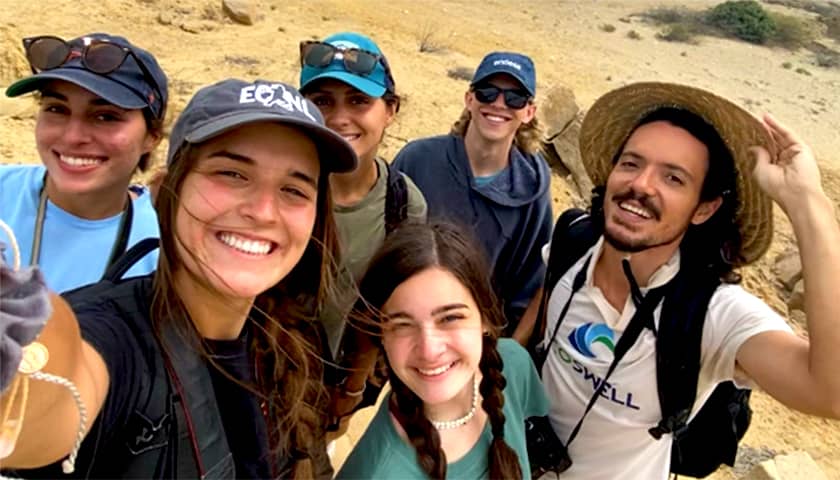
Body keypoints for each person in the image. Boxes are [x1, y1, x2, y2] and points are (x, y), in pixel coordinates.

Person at [0, 78, 357, 479]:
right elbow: (47, 400)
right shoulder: (114, 341)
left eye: (293, 189)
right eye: (232, 173)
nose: (264, 211)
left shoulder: (290, 338)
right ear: (166, 189)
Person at [525, 82, 840, 479]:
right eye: (631, 163)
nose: (641, 184)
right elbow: (539, 318)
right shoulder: (574, 239)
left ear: (704, 209)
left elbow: (831, 393)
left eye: (674, 178)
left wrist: (808, 203)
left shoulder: (711, 314)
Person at [336, 222, 549, 479]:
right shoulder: (374, 472)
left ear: (484, 318)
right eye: (402, 325)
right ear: (381, 336)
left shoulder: (513, 366)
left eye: (449, 318)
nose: (429, 349)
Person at [298, 32, 427, 425]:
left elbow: (383, 310)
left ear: (390, 110)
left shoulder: (403, 205)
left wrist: (353, 388)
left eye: (358, 101)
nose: (339, 118)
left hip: (337, 391)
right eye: (322, 102)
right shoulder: (282, 189)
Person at [392, 51, 552, 338]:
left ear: (529, 111)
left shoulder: (531, 189)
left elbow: (530, 284)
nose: (499, 103)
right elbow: (385, 246)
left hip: (477, 338)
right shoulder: (418, 160)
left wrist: (507, 351)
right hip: (405, 323)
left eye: (514, 97)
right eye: (487, 92)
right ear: (469, 99)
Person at [0, 33, 168, 292]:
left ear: (152, 137)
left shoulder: (165, 248)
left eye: (105, 116)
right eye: (57, 109)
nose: (73, 136)